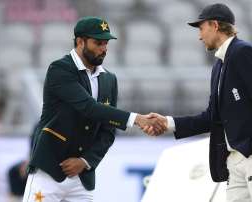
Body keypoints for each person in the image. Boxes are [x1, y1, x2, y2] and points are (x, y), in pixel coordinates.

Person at [143, 3, 252, 202]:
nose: (199, 35)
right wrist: (168, 123)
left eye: (201, 28)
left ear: (214, 25)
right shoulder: (219, 65)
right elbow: (212, 117)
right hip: (236, 160)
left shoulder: (243, 53)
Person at [22, 16, 166, 202]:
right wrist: (137, 119)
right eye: (98, 43)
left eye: (106, 43)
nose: (104, 49)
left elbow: (108, 131)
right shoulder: (59, 69)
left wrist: (85, 162)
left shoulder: (109, 79)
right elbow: (89, 108)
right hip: (49, 171)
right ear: (80, 41)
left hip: (82, 178)